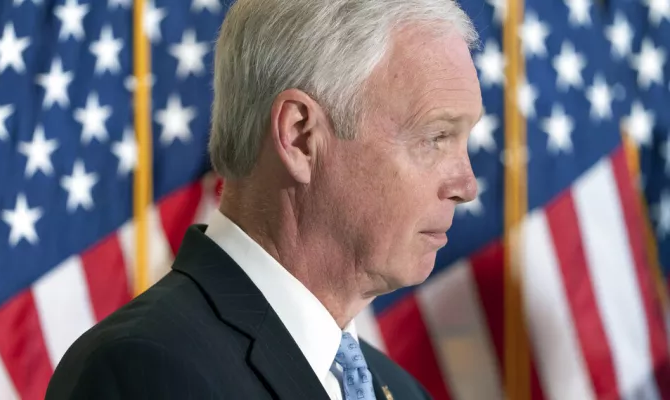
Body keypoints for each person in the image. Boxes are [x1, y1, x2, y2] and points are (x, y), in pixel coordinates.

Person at [45, 0, 481, 398]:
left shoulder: (402, 392)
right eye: (436, 137)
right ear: (299, 137)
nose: (467, 185)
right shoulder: (144, 371)